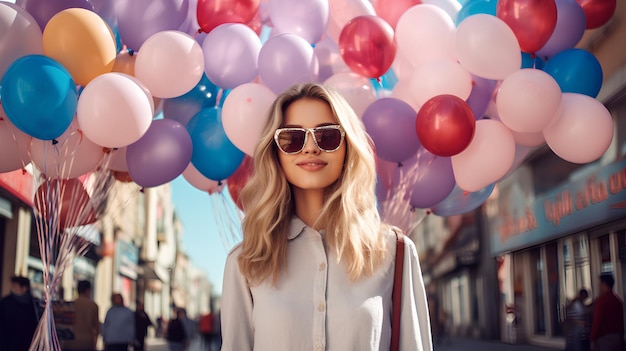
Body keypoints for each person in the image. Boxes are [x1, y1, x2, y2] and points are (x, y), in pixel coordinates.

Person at [221, 83, 433, 351]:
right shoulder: (246, 261)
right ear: (275, 153)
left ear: (348, 147)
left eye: (328, 136)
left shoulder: (394, 251)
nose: (310, 148)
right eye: (292, 138)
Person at [0, 276, 39, 351]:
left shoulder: (34, 304)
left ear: (24, 288)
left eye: (15, 286)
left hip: (27, 342)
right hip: (8, 342)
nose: (13, 288)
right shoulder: (6, 302)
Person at [590, 274, 624, 351]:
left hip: (604, 338)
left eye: (599, 284)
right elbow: (621, 322)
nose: (598, 286)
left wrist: (592, 338)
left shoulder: (600, 301)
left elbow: (597, 321)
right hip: (617, 337)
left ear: (603, 284)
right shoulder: (618, 301)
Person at [63, 280, 100, 351]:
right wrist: (95, 344)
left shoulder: (70, 305)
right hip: (86, 343)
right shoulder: (93, 306)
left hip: (70, 343)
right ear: (88, 290)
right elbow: (96, 328)